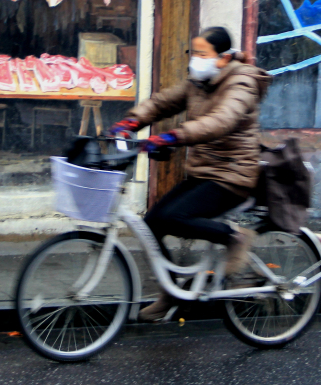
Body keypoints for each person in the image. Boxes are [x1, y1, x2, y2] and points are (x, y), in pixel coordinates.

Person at [108, 27, 272, 322]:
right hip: (204, 172)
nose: (194, 59)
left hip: (233, 175)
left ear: (221, 59)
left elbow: (221, 121)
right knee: (152, 224)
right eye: (192, 53)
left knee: (173, 218)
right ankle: (172, 293)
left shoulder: (242, 83)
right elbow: (164, 102)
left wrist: (173, 137)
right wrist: (130, 122)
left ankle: (235, 236)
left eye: (201, 54)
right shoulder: (199, 81)